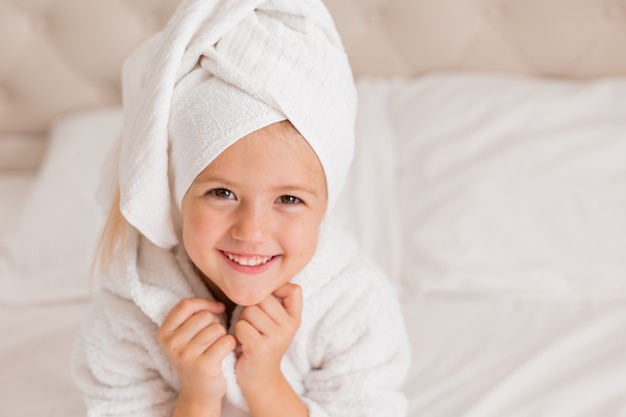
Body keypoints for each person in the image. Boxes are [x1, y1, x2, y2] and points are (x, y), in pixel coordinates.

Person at [71, 1, 411, 416]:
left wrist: (265, 383)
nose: (251, 231)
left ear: (325, 205)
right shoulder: (128, 311)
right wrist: (197, 394)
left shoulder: (354, 306)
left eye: (288, 199)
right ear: (177, 190)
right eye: (222, 194)